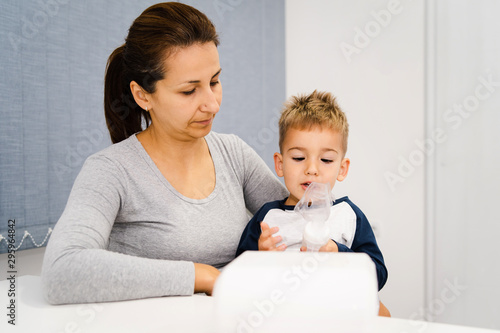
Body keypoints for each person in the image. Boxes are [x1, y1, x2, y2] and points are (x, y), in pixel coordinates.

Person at [41, 2, 287, 304]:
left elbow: (293, 221)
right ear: (142, 95)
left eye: (214, 82)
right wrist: (202, 276)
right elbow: (61, 270)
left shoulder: (233, 153)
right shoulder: (110, 171)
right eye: (189, 91)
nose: (212, 104)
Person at [235, 90, 391, 316]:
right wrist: (260, 257)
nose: (312, 169)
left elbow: (378, 276)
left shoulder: (348, 216)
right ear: (280, 164)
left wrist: (339, 253)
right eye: (298, 158)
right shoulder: (268, 219)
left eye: (326, 160)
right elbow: (237, 279)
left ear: (342, 168)